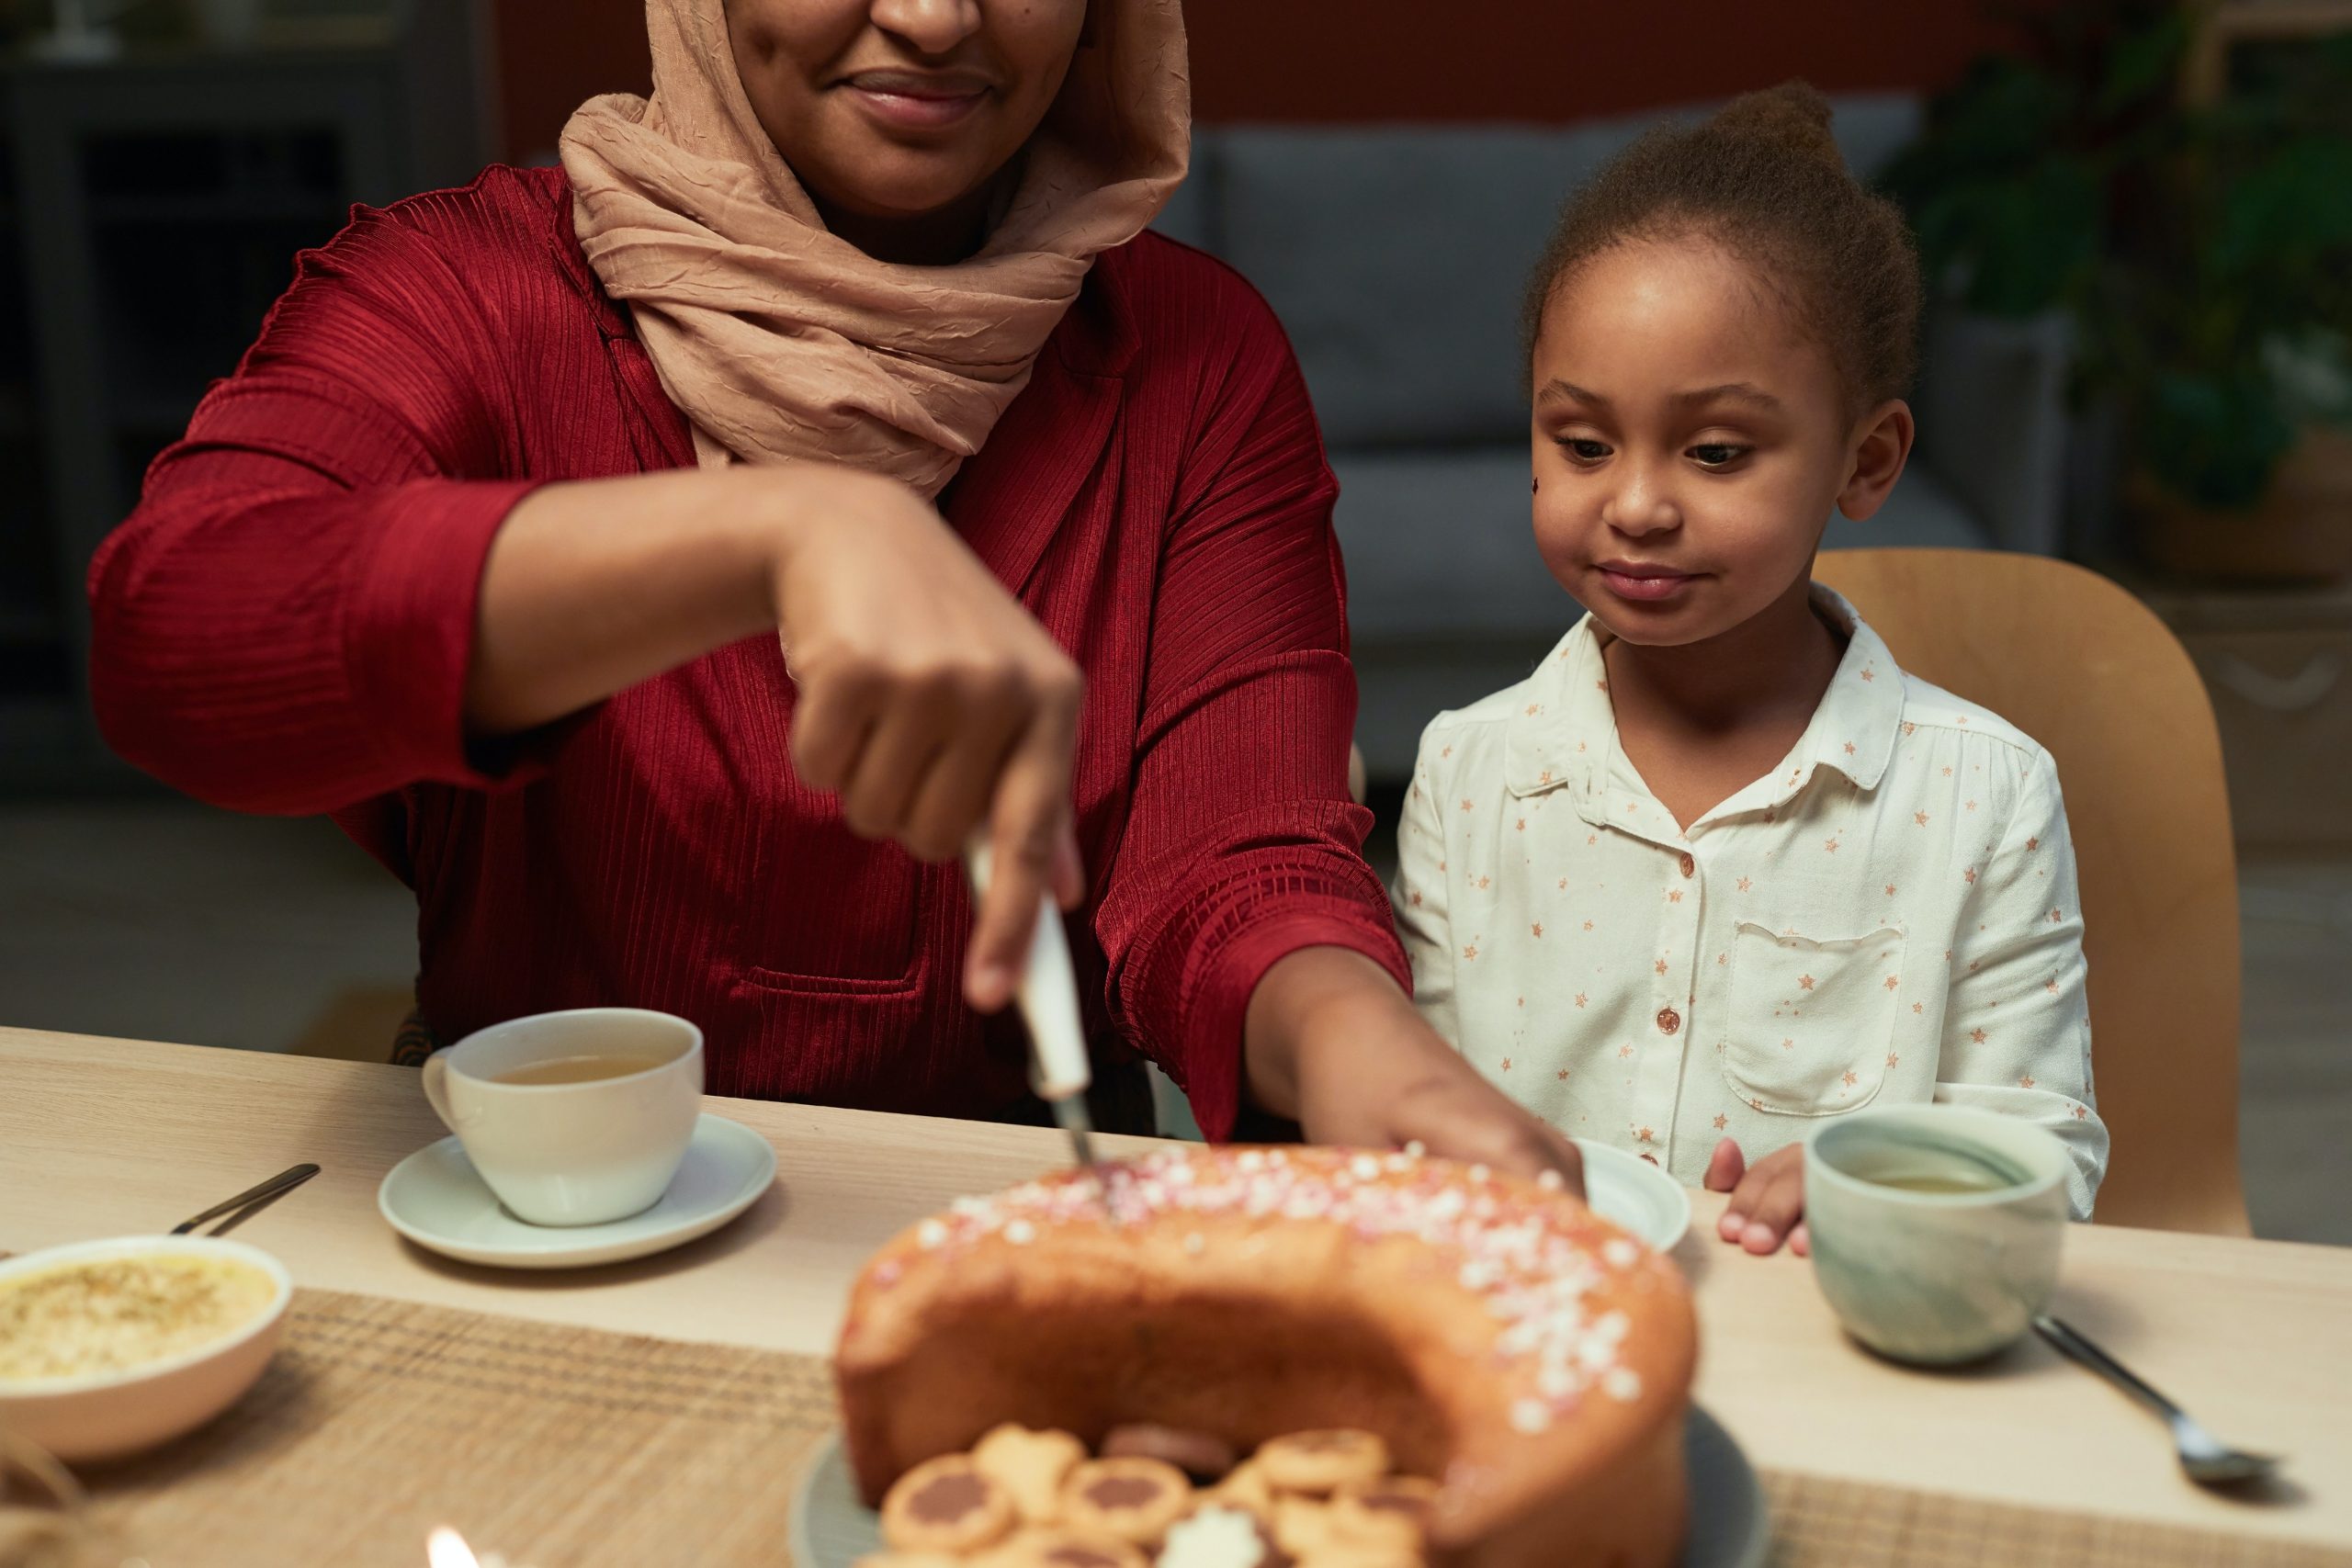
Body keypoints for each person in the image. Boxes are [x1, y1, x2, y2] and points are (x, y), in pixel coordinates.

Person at [86, 0, 1576, 1180]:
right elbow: (177, 634)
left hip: (1011, 1181)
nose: (935, 16)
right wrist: (774, 532)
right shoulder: (460, 290)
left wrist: (1363, 1041)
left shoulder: (1195, 360)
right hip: (535, 1185)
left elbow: (1238, 853)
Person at [1390, 83, 2108, 1251]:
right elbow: (1420, 1119)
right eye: (1578, 444)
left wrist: (1889, 1181)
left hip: (1845, 1341)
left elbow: (2047, 1155)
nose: (1632, 506)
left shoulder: (1985, 795)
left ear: (1864, 461)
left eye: (1716, 452)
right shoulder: (1469, 771)